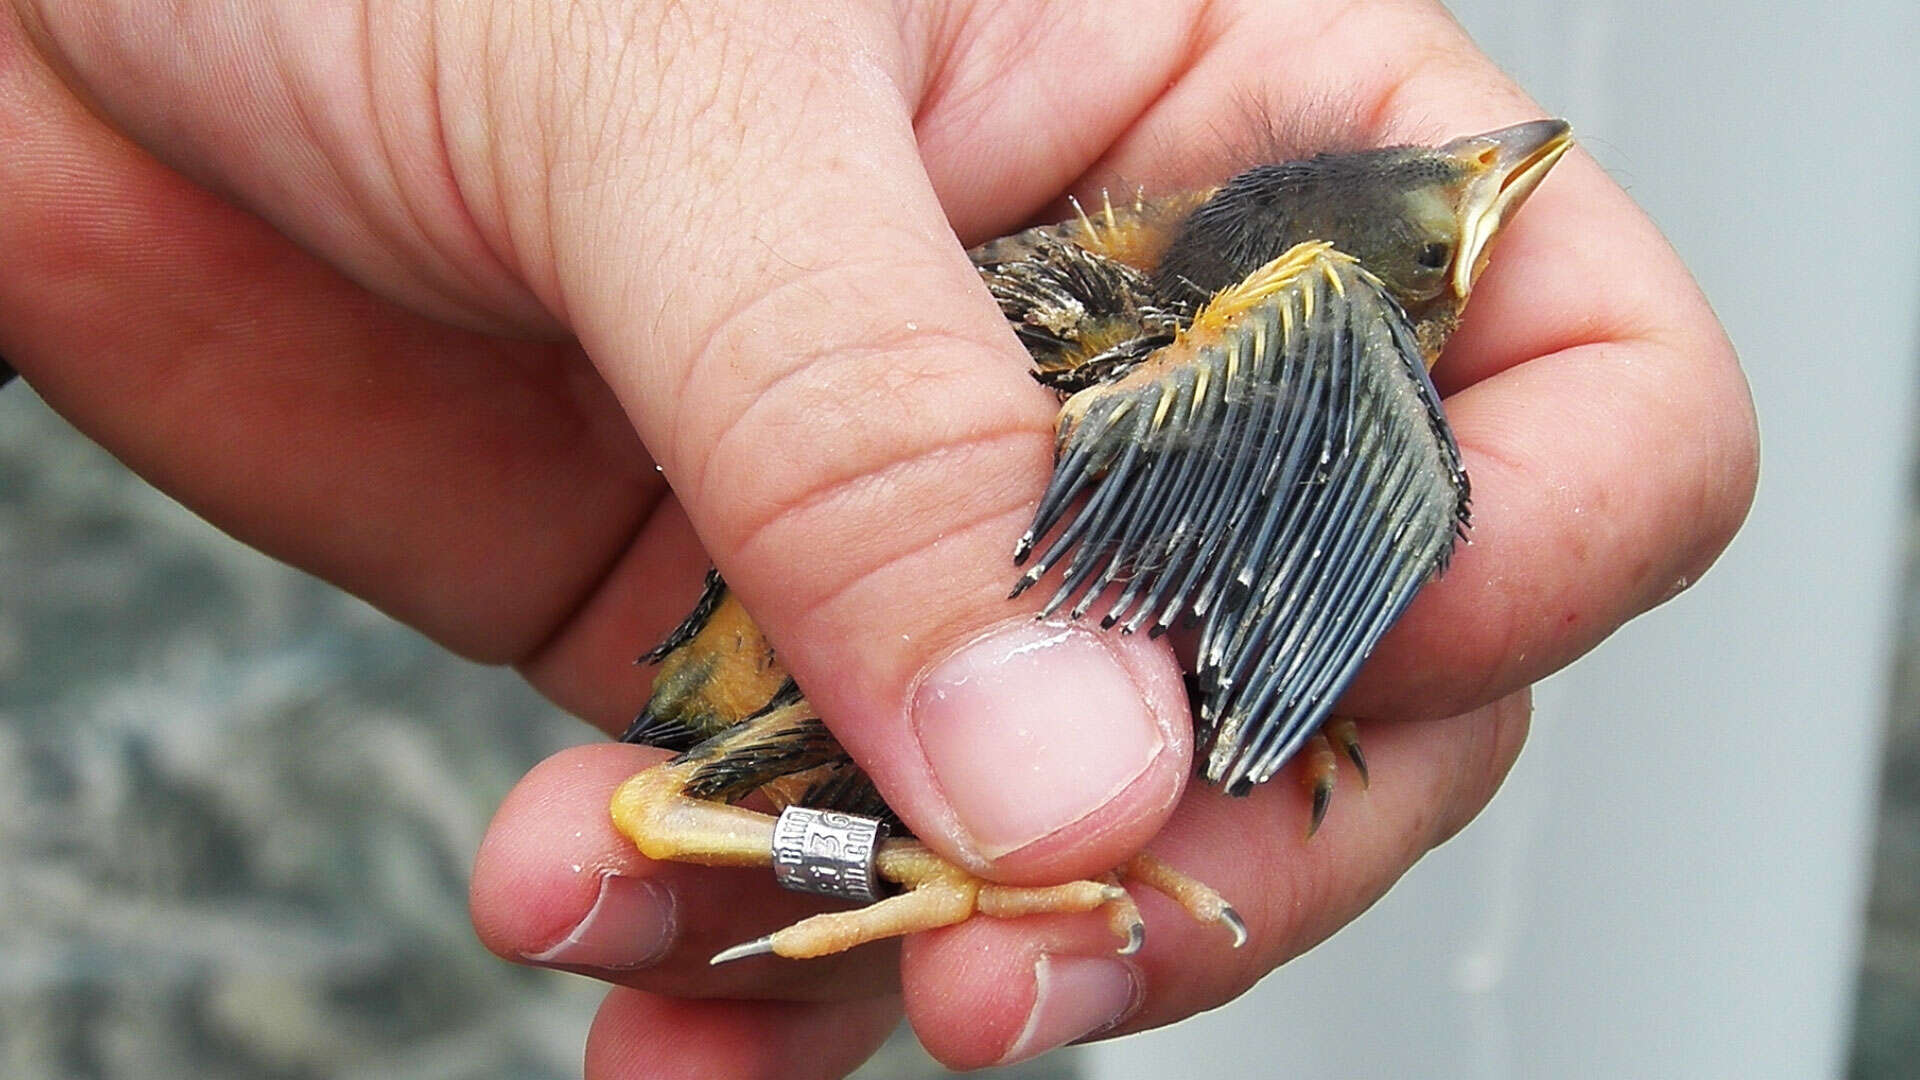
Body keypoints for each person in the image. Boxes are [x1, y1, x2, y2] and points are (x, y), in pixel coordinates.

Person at [0, 1, 1757, 1074]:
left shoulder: (1150, 304)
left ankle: (853, 849)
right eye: (1440, 273)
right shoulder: (1277, 346)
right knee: (724, 832)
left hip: (782, 676)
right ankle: (877, 847)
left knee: (682, 842)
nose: (1491, 202)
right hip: (822, 663)